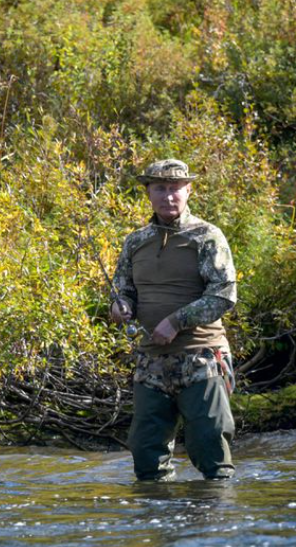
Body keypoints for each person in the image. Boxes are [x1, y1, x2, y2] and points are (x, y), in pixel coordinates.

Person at [110, 158, 237, 481]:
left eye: (175, 188)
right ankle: (158, 510)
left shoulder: (207, 236)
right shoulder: (135, 241)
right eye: (160, 188)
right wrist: (120, 307)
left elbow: (223, 295)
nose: (168, 196)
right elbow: (124, 291)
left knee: (210, 447)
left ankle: (215, 511)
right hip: (151, 361)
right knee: (146, 454)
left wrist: (176, 322)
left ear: (188, 191)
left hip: (202, 358)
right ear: (148, 193)